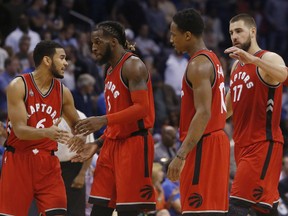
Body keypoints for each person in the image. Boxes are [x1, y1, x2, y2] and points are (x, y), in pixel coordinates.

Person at [71, 21, 156, 216]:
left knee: (128, 212)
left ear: (114, 42)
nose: (93, 47)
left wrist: (102, 120)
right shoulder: (109, 70)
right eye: (92, 43)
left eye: (98, 42)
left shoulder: (133, 65)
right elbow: (118, 119)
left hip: (134, 143)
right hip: (111, 144)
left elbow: (142, 109)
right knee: (99, 209)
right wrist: (97, 144)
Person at [0, 40, 85, 216]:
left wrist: (81, 136)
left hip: (48, 163)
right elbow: (20, 131)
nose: (66, 63)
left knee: (58, 212)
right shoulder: (19, 85)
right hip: (18, 160)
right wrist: (46, 132)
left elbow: (78, 126)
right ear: (47, 60)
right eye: (61, 58)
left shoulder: (63, 92)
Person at [166, 8, 230, 215]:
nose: (171, 39)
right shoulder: (213, 59)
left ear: (187, 35)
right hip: (215, 141)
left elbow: (203, 113)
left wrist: (180, 154)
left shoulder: (199, 65)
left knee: (198, 211)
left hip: (204, 144)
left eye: (174, 34)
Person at [224, 13, 287, 216]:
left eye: (239, 31)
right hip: (241, 146)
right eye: (231, 32)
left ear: (253, 31)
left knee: (236, 207)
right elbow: (227, 108)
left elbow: (284, 75)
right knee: (264, 208)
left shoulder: (268, 58)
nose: (234, 36)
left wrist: (253, 60)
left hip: (262, 144)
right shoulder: (236, 66)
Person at [55, 110, 94, 216]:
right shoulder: (48, 114)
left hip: (74, 167)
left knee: (75, 210)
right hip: (51, 167)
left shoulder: (81, 116)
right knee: (54, 209)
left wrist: (82, 174)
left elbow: (89, 149)